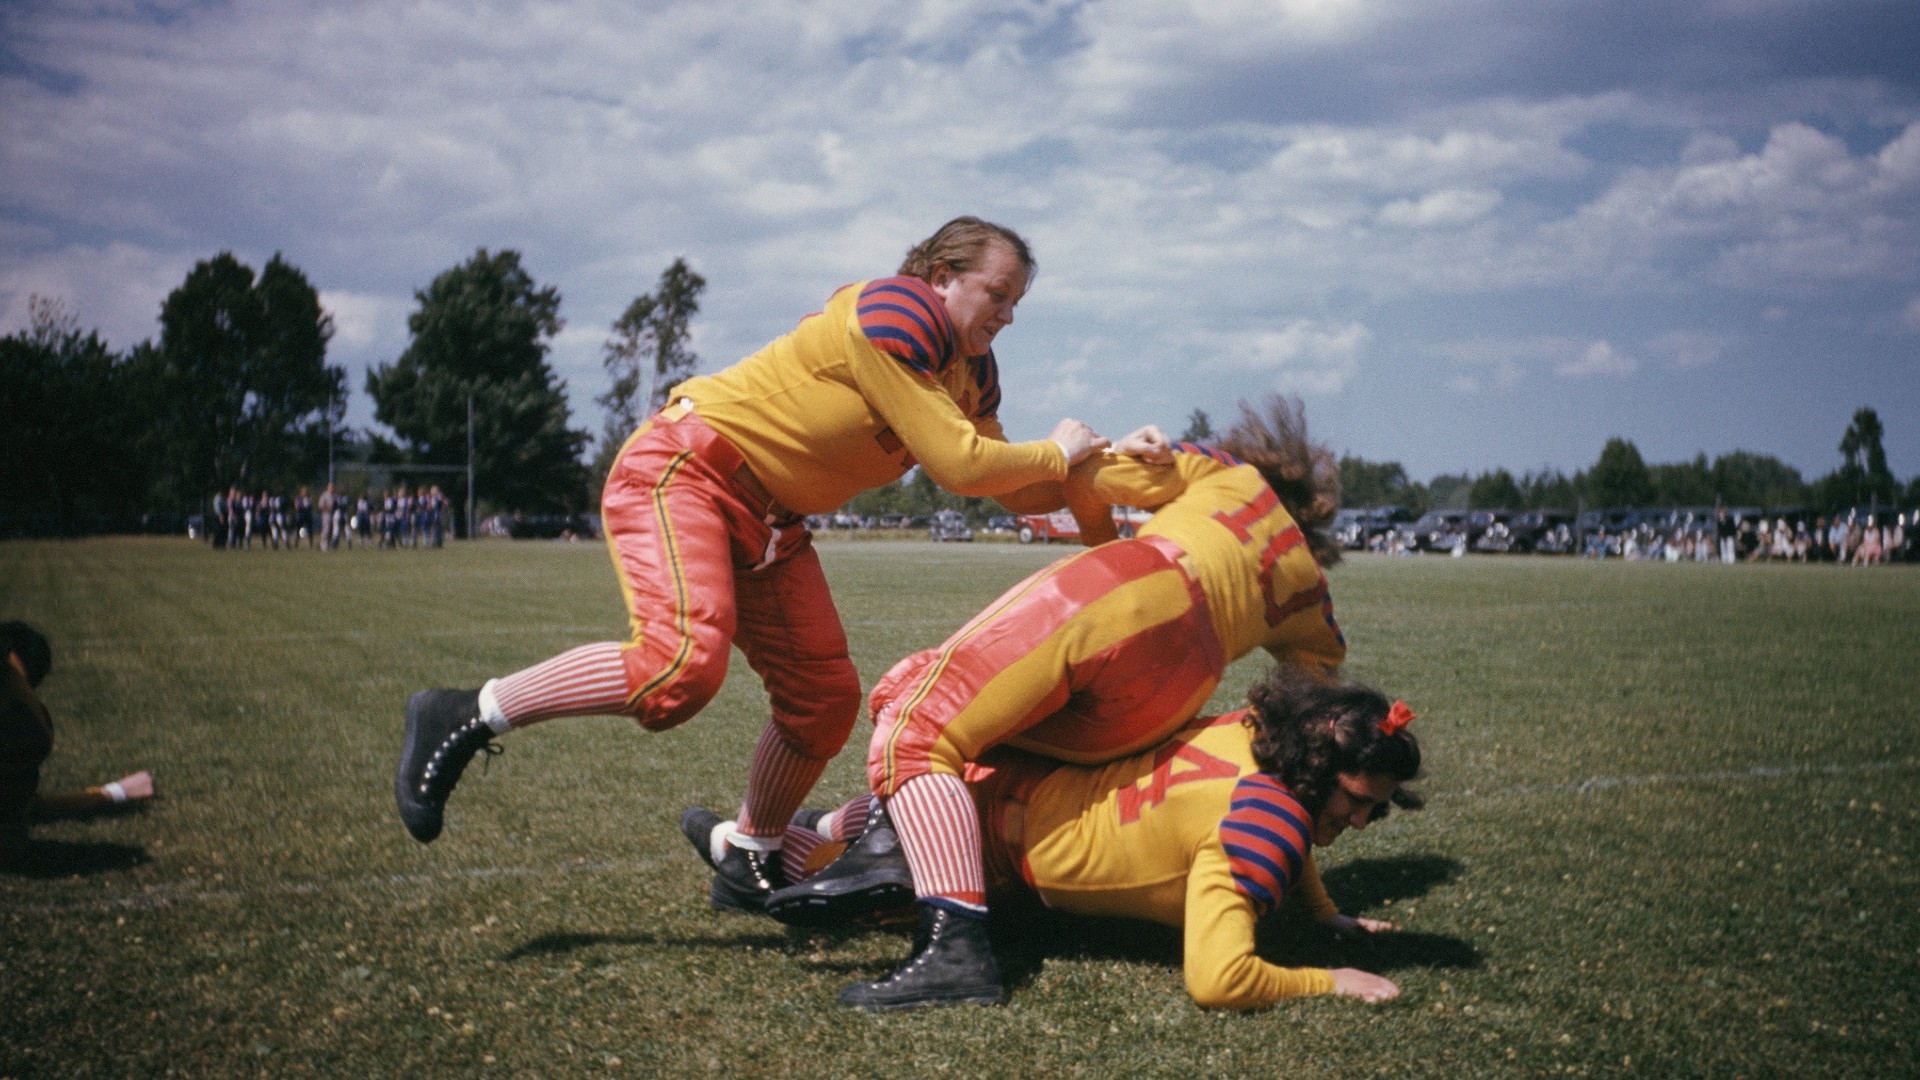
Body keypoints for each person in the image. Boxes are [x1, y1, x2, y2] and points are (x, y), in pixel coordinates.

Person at [393, 217, 1114, 914]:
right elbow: (962, 465)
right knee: (677, 669)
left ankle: (750, 854)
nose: (1009, 316)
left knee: (823, 700)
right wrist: (1059, 451)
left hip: (772, 520)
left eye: (1016, 302)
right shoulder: (899, 309)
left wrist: (1110, 479)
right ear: (940, 276)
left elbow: (1012, 485)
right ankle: (465, 712)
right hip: (691, 471)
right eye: (999, 294)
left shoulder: (972, 371)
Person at [765, 395, 1346, 1009]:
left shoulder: (1233, 473)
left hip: (1137, 588)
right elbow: (1307, 743)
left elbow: (1091, 476)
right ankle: (840, 838)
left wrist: (1100, 506)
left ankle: (946, 941)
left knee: (917, 713)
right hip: (1174, 690)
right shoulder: (1313, 596)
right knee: (984, 754)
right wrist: (1320, 906)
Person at [704, 663, 1422, 1010]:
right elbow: (1219, 979)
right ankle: (741, 856)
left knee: (864, 823)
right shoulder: (1272, 826)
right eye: (1356, 802)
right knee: (830, 878)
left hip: (1005, 780)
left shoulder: (1254, 730)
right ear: (1320, 767)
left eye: (1374, 812)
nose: (1358, 823)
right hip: (993, 851)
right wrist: (1328, 980)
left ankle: (767, 833)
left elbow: (1286, 828)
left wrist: (1323, 913)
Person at [1, 621, 154, 869]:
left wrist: (114, 793)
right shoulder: (28, 721)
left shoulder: (26, 720)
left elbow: (24, 807)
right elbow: (20, 812)